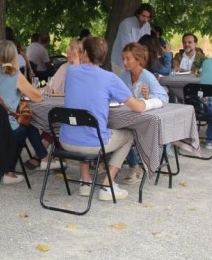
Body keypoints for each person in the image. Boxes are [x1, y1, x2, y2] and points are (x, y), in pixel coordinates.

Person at [61, 37, 151, 202]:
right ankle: (107, 185)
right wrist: (150, 101)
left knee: (83, 126)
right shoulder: (110, 78)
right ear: (104, 56)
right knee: (128, 135)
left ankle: (85, 182)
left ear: (85, 52)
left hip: (66, 141)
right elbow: (138, 107)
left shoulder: (71, 72)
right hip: (93, 144)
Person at [0, 41, 50, 183]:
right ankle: (9, 172)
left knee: (24, 123)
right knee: (26, 125)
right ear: (13, 56)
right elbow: (37, 97)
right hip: (3, 129)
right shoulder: (14, 74)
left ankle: (44, 158)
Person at [117, 42, 168, 184]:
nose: (124, 62)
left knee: (124, 134)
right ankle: (126, 164)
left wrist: (148, 97)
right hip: (128, 118)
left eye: (128, 59)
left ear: (138, 60)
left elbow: (164, 98)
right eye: (123, 59)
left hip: (144, 122)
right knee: (115, 129)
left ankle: (135, 167)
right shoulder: (124, 75)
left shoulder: (148, 77)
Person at [110, 3, 154, 72]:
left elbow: (147, 45)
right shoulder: (126, 24)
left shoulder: (147, 26)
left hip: (135, 63)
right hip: (120, 63)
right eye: (143, 16)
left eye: (148, 17)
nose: (145, 19)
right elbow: (128, 47)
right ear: (138, 14)